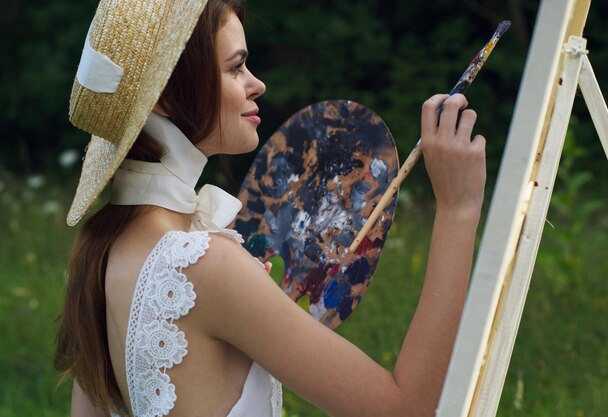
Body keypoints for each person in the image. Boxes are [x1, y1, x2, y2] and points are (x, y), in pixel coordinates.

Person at [54, 0, 486, 416]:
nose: (256, 83)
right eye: (235, 67)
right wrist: (457, 209)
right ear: (165, 98)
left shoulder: (102, 252)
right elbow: (409, 411)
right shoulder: (203, 266)